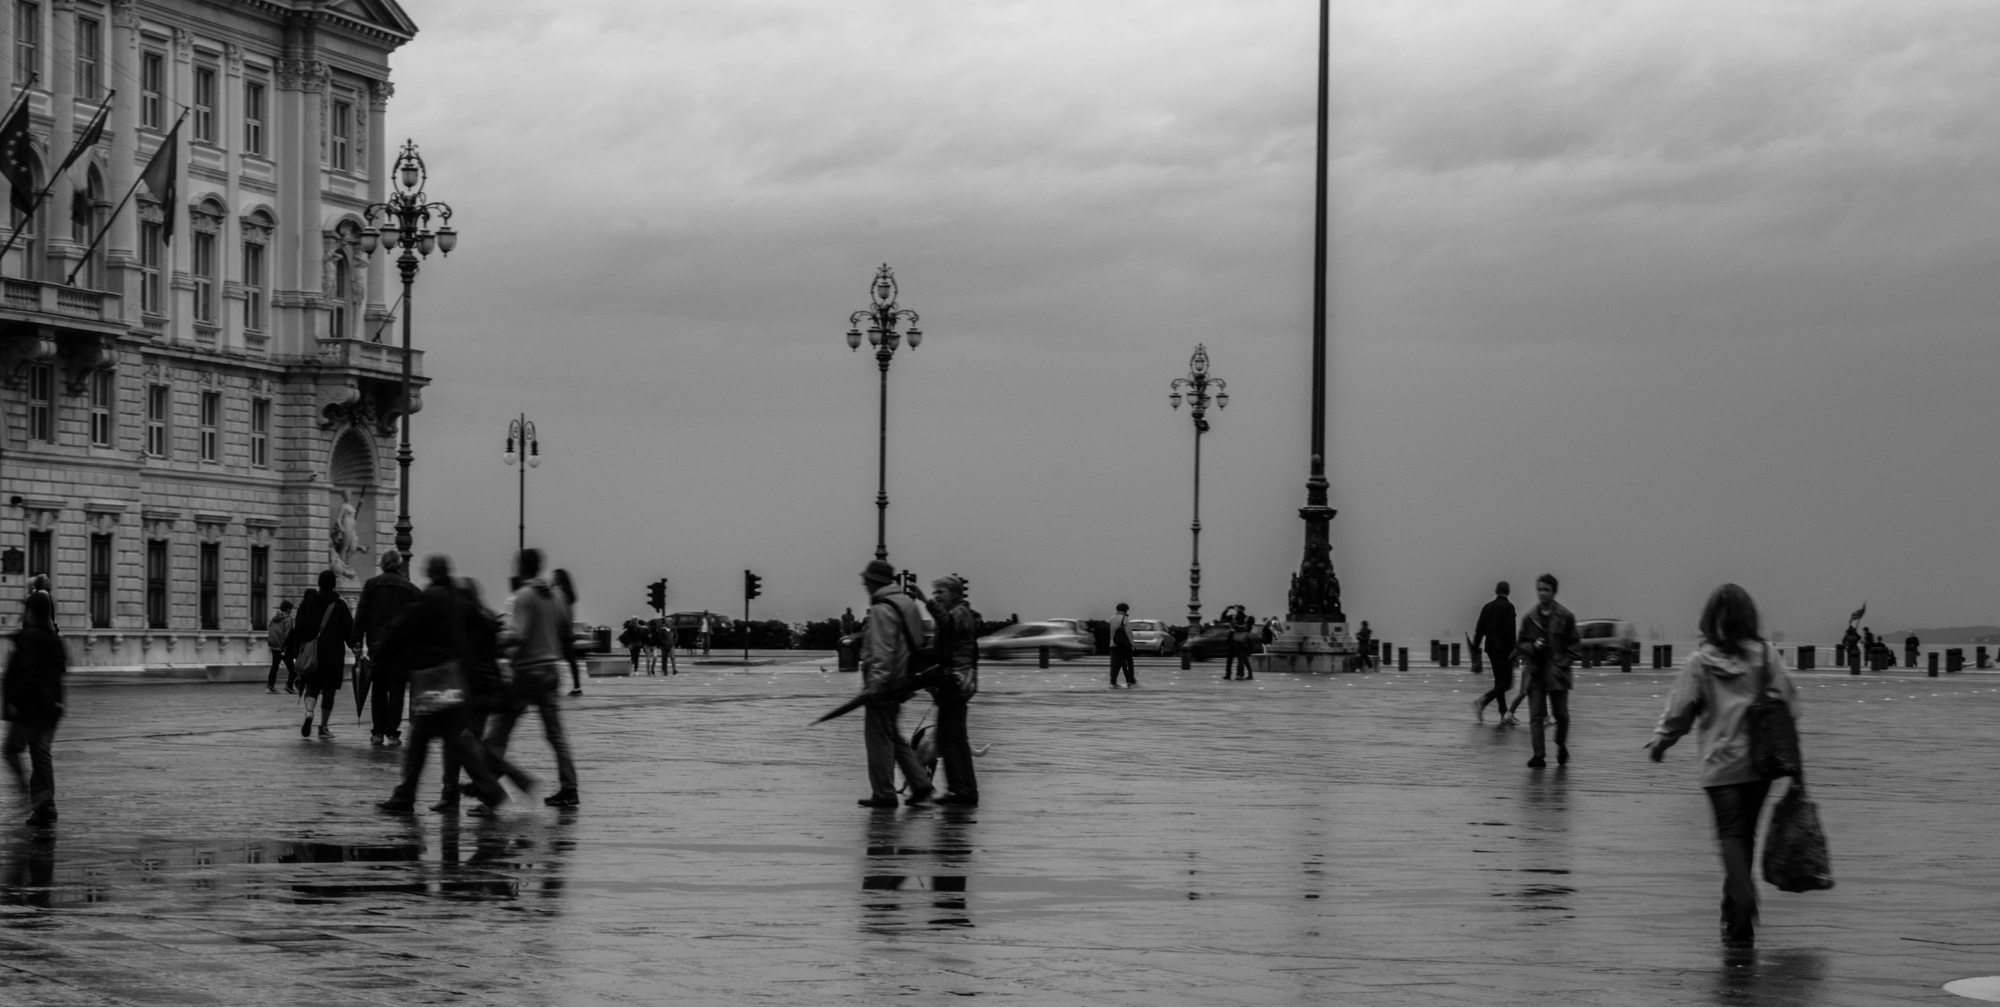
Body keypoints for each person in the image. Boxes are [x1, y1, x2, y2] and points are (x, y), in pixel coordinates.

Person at [1645, 583, 1800, 946]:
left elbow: (1680, 711)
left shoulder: (1700, 662)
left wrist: (1659, 743)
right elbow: (1790, 702)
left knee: (1731, 834)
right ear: (1749, 617)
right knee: (1745, 834)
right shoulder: (1765, 655)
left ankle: (1743, 899)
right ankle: (1734, 912)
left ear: (1710, 619)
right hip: (1761, 764)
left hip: (1720, 766)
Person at [374, 556, 510, 817]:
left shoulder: (431, 597)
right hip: (453, 676)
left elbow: (402, 628)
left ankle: (405, 796)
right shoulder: (459, 597)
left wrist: (381, 659)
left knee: (423, 740)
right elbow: (484, 622)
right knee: (454, 741)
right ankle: (490, 790)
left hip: (432, 680)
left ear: (431, 573)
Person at [485, 549, 580, 808]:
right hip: (551, 672)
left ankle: (489, 792)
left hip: (526, 673)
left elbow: (518, 634)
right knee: (556, 735)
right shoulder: (555, 596)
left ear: (521, 567)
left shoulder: (524, 596)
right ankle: (569, 789)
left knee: (498, 734)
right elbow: (564, 631)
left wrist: (494, 641)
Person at [434, 574, 534, 812]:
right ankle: (456, 794)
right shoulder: (488, 616)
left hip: (469, 689)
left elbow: (461, 654)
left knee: (463, 746)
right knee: (465, 745)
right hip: (487, 689)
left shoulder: (464, 619)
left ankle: (499, 787)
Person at [857, 559, 934, 808]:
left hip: (885, 683)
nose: (864, 584)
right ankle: (920, 784)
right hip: (903, 680)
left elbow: (882, 650)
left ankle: (884, 793)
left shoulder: (882, 608)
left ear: (875, 581)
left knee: (878, 739)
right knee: (894, 736)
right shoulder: (907, 604)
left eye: (866, 580)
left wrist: (875, 686)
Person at [4, 593, 65, 826]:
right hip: (51, 707)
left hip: (30, 708)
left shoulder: (29, 639)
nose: (25, 613)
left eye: (27, 610)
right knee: (40, 753)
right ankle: (45, 805)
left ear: (32, 613)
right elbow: (59, 669)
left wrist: (14, 700)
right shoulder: (53, 639)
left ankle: (31, 796)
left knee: (12, 749)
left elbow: (26, 672)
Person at [351, 550, 422, 746]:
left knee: (379, 689)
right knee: (397, 690)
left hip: (377, 647)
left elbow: (361, 617)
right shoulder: (411, 589)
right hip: (401, 649)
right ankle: (392, 732)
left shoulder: (371, 585)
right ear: (399, 565)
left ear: (382, 564)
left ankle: (377, 732)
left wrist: (356, 642)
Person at [926, 575, 980, 806]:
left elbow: (947, 625)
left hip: (957, 682)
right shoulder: (959, 612)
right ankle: (959, 787)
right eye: (934, 592)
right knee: (949, 736)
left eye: (941, 592)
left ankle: (962, 789)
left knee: (953, 737)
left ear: (954, 594)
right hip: (953, 681)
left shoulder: (960, 613)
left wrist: (925, 602)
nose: (936, 596)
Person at [1514, 573, 1577, 768]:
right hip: (1535, 673)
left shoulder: (1565, 617)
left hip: (1557, 674)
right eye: (1539, 589)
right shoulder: (1529, 618)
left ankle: (1560, 744)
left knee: (1562, 715)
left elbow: (1574, 647)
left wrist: (1563, 664)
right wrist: (1533, 646)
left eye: (1546, 590)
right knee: (1535, 715)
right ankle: (1538, 755)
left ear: (1554, 592)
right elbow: (1521, 645)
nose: (1542, 593)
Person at [286, 570, 354, 740]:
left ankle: (309, 712)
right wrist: (356, 649)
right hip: (333, 656)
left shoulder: (307, 602)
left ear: (319, 583)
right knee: (329, 691)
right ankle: (323, 727)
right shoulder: (340, 605)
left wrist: (295, 646)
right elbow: (349, 632)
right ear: (334, 584)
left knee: (312, 686)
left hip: (312, 655)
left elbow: (299, 627)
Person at [1471, 581, 1518, 723]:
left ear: (1496, 591)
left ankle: (1504, 713)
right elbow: (1510, 630)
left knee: (1499, 681)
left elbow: (1479, 630)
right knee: (1507, 683)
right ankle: (1482, 701)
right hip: (1504, 650)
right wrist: (1514, 649)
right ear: (1508, 591)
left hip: (1491, 649)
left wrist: (1475, 650)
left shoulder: (1487, 607)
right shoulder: (1508, 607)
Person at [552, 569, 585, 696]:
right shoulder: (569, 594)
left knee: (552, 659)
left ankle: (553, 686)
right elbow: (569, 614)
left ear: (558, 579)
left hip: (558, 631)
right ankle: (577, 686)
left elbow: (557, 613)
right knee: (571, 660)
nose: (552, 579)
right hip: (567, 630)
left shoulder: (557, 593)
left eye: (554, 577)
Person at [265, 600, 296, 694]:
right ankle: (289, 685)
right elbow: (288, 634)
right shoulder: (287, 619)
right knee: (293, 669)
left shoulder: (275, 618)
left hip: (274, 646)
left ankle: (270, 686)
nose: (291, 611)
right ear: (287, 609)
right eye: (291, 609)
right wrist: (289, 647)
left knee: (274, 666)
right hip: (283, 647)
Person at [1108, 602, 1136, 689]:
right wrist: (1132, 644)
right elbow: (1128, 633)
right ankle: (1130, 680)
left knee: (1115, 664)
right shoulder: (1125, 619)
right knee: (1129, 663)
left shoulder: (1112, 619)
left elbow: (1112, 633)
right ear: (1125, 610)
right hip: (1124, 645)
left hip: (1114, 644)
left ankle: (1113, 682)